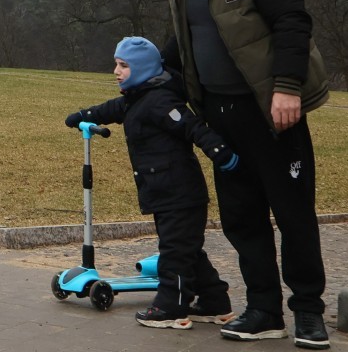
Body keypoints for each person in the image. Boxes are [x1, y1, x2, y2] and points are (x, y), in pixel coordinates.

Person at [145, 0, 331, 349]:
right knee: (242, 219)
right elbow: (185, 38)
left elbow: (292, 21)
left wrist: (286, 87)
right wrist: (150, 79)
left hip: (270, 112)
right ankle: (264, 311)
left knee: (293, 215)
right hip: (218, 115)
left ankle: (308, 313)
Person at [66, 36, 239, 330]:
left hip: (180, 193)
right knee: (187, 250)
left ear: (144, 70)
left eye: (123, 66)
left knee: (175, 253)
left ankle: (171, 307)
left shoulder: (160, 101)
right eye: (116, 64)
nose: (116, 71)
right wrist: (86, 115)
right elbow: (114, 108)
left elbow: (191, 126)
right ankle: (214, 302)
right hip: (164, 191)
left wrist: (219, 151)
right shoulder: (137, 98)